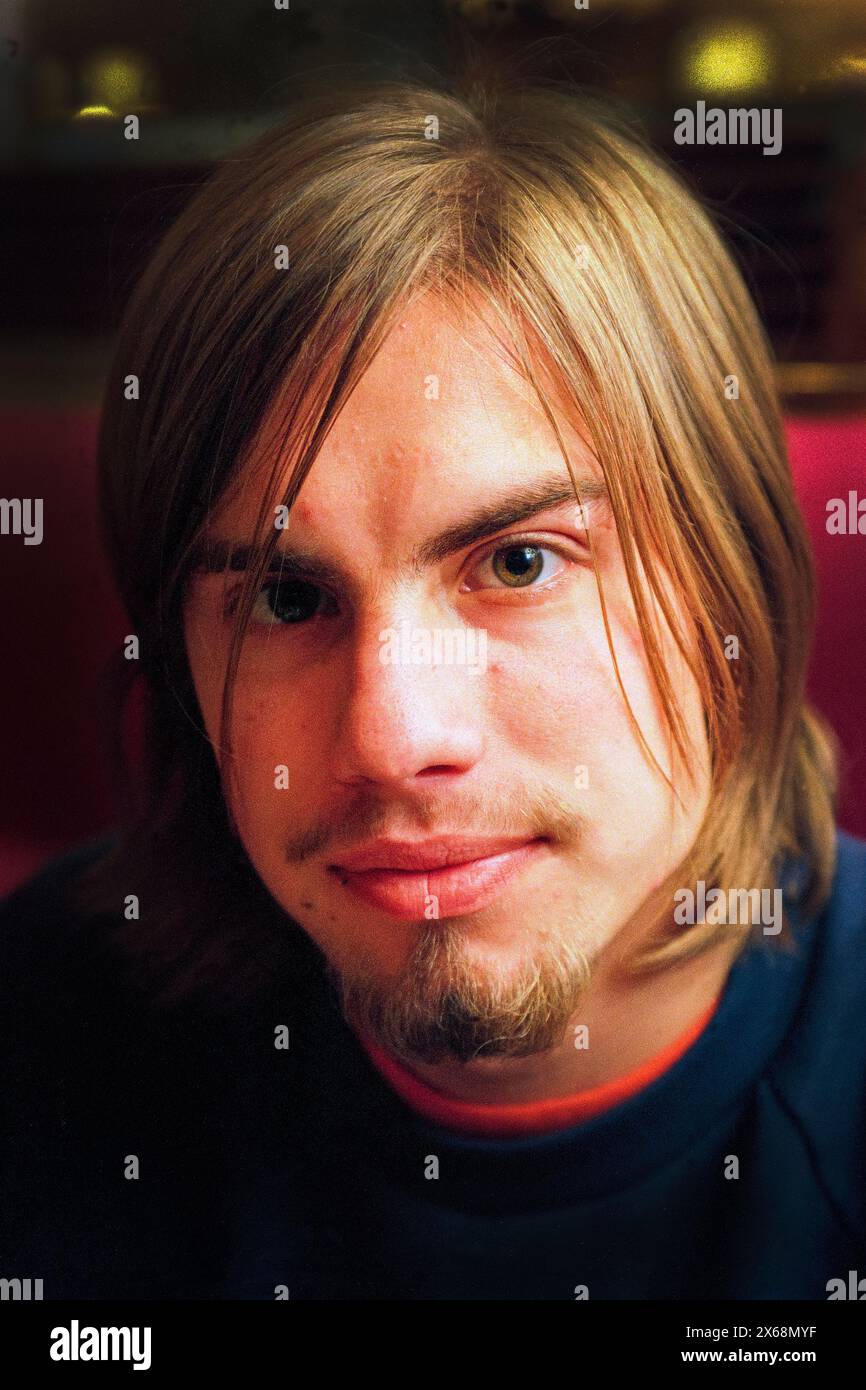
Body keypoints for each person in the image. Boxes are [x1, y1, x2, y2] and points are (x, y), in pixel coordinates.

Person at [2, 62, 864, 1301]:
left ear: (732, 579)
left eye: (517, 562)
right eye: (287, 598)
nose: (392, 736)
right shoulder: (51, 1014)